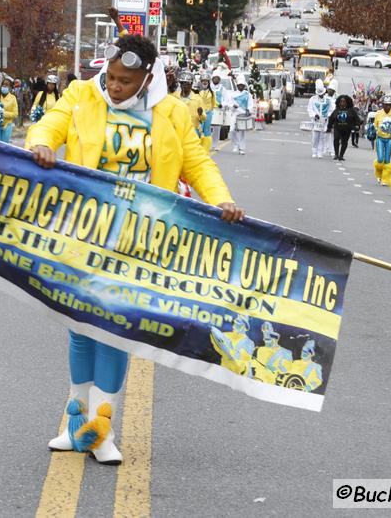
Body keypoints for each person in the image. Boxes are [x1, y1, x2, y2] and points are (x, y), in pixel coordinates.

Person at [27, 33, 243, 465]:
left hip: (139, 243)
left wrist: (220, 198)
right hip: (85, 234)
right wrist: (42, 142)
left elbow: (197, 162)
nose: (115, 86)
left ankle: (101, 430)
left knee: (115, 329)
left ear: (148, 79)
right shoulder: (82, 94)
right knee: (81, 326)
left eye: (126, 80)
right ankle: (75, 425)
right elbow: (51, 122)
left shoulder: (172, 113)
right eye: (111, 77)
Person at [328, 94, 360, 161]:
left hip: (347, 129)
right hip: (337, 128)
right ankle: (336, 154)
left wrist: (356, 126)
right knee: (336, 139)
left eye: (343, 101)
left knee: (344, 142)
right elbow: (331, 119)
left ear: (347, 102)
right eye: (341, 101)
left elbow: (357, 119)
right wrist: (329, 127)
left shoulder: (351, 110)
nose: (342, 103)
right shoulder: (336, 110)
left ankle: (341, 155)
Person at [372, 95, 391, 185]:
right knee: (380, 158)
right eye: (386, 105)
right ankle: (378, 173)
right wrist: (376, 130)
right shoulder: (379, 113)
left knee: (387, 160)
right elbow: (375, 125)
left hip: (389, 139)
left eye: (389, 105)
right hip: (380, 138)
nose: (387, 107)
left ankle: (385, 178)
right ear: (383, 105)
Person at [0, 76, 18, 143]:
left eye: (7, 85)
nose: (4, 86)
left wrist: (3, 113)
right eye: (3, 84)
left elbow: (15, 114)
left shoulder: (13, 98)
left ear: (10, 87)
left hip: (7, 126)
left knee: (4, 145)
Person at [230, 74, 254, 155]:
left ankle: (242, 148)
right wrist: (233, 106)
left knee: (242, 132)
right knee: (232, 130)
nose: (241, 86)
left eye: (242, 85)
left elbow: (251, 104)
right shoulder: (233, 94)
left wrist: (248, 110)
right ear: (237, 85)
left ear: (244, 86)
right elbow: (230, 104)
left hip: (243, 114)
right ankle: (236, 144)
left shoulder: (247, 94)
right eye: (239, 85)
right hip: (235, 114)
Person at [307, 80, 332, 159]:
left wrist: (327, 116)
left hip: (324, 121)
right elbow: (310, 109)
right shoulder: (312, 99)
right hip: (316, 121)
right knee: (315, 137)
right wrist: (314, 115)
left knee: (322, 137)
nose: (320, 95)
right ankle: (314, 151)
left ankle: (320, 152)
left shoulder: (328, 100)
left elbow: (330, 110)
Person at [196, 72, 216, 153]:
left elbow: (214, 103)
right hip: (199, 114)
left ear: (208, 82)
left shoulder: (212, 92)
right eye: (203, 81)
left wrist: (213, 110)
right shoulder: (197, 92)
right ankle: (198, 148)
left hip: (208, 113)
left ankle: (206, 149)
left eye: (206, 81)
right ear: (200, 82)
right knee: (199, 130)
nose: (204, 82)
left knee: (207, 131)